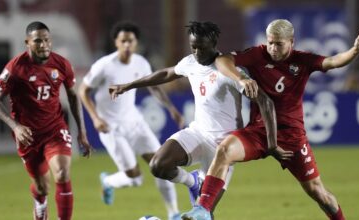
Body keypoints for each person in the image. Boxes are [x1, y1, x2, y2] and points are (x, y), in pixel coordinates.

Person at [181, 19, 359, 220]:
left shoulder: (302, 61)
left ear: (291, 41)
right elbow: (222, 61)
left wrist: (355, 50)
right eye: (270, 42)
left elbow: (333, 61)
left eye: (278, 43)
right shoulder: (257, 54)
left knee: (318, 192)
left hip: (291, 138)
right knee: (224, 150)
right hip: (258, 131)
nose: (272, 48)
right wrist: (242, 78)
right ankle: (202, 210)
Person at [109, 21, 290, 216]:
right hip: (197, 133)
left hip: (223, 147)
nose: (197, 53)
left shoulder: (229, 71)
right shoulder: (190, 63)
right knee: (158, 165)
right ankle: (192, 181)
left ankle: (198, 193)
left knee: (202, 214)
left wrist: (271, 145)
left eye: (202, 48)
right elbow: (166, 73)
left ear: (213, 44)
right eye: (193, 47)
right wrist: (127, 86)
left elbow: (266, 103)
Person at [78, 22, 183, 220]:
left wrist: (171, 108)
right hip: (111, 127)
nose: (127, 44)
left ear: (136, 43)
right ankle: (108, 181)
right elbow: (83, 91)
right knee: (135, 179)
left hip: (135, 123)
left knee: (162, 165)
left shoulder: (141, 63)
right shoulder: (104, 65)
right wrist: (95, 118)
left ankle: (174, 213)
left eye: (130, 41)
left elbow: (154, 87)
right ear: (116, 42)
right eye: (123, 41)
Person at [0, 21, 93, 220]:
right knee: (42, 187)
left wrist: (82, 131)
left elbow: (73, 97)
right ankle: (39, 200)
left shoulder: (62, 64)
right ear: (27, 42)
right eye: (38, 41)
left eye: (47, 40)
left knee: (62, 173)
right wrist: (16, 126)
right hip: (28, 135)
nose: (44, 44)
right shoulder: (15, 68)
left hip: (55, 129)